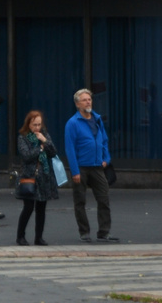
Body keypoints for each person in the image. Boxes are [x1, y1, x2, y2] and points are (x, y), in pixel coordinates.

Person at [64, 87, 116, 243]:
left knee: (104, 199)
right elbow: (70, 148)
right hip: (81, 167)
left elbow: (104, 141)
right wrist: (75, 171)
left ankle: (104, 232)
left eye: (89, 99)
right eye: (85, 100)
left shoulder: (97, 119)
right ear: (77, 104)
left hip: (97, 166)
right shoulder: (72, 123)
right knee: (80, 201)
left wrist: (106, 158)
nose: (88, 102)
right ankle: (84, 232)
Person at [15, 110, 60, 246]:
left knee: (41, 208)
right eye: (34, 124)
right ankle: (20, 236)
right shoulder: (23, 137)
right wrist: (40, 149)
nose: (37, 128)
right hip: (30, 177)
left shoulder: (44, 135)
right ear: (28, 124)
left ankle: (38, 237)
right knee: (28, 208)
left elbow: (53, 152)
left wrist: (45, 141)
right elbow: (26, 156)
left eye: (39, 124)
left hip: (44, 177)